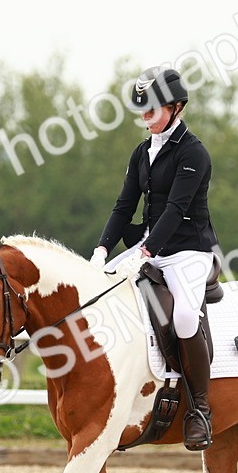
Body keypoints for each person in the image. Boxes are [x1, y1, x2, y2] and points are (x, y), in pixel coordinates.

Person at [90, 66, 219, 451]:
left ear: (175, 107)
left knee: (184, 317)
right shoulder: (141, 152)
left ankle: (200, 409)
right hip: (148, 246)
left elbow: (176, 209)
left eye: (152, 110)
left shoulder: (193, 153)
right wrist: (101, 251)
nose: (145, 117)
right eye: (141, 110)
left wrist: (145, 253)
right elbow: (124, 205)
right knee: (99, 295)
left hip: (188, 251)